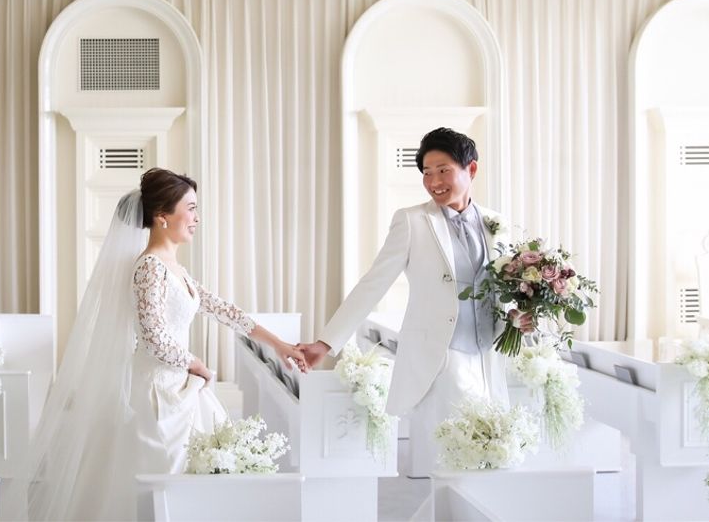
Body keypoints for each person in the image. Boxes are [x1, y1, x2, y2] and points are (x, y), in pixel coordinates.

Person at [25, 167, 307, 521]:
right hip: (158, 392)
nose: (197, 218)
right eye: (191, 208)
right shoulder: (149, 268)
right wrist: (196, 364)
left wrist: (280, 345)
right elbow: (154, 337)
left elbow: (222, 309)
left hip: (183, 385)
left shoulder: (174, 268)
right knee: (164, 480)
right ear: (162, 216)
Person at [299, 127, 509, 477]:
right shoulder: (412, 221)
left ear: (471, 169)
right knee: (451, 457)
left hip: (488, 357)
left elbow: (505, 290)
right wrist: (326, 343)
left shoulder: (496, 224)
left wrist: (519, 318)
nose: (434, 182)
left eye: (443, 170)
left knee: (490, 454)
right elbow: (373, 284)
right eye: (427, 173)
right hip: (442, 359)